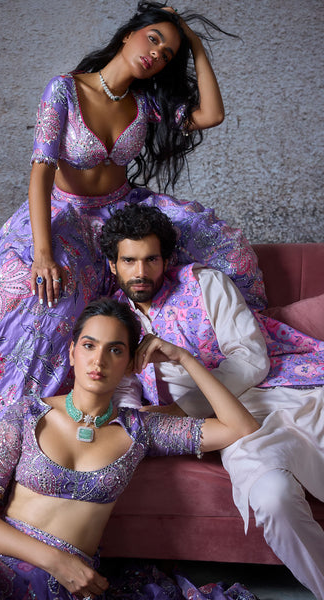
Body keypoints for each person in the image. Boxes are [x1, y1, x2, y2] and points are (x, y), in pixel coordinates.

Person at [0, 2, 264, 509]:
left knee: (225, 250)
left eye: (167, 53)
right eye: (153, 39)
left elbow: (211, 115)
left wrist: (193, 44)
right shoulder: (65, 89)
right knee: (46, 297)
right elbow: (41, 173)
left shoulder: (147, 104)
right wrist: (43, 254)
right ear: (128, 35)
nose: (156, 54)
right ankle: (10, 425)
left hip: (118, 211)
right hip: (61, 214)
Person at [0, 297, 261, 600]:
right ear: (72, 352)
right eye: (89, 345)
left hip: (63, 588)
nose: (98, 360)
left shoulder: (141, 430)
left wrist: (184, 358)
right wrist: (58, 562)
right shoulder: (27, 414)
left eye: (115, 350)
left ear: (131, 363)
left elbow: (239, 427)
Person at [99, 203, 324, 600]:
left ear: (166, 259)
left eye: (151, 259)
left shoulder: (205, 283)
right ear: (113, 264)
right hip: (232, 424)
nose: (141, 271)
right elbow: (124, 394)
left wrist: (180, 410)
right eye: (129, 260)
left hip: (291, 390)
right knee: (271, 497)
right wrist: (133, 419)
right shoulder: (114, 320)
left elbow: (251, 359)